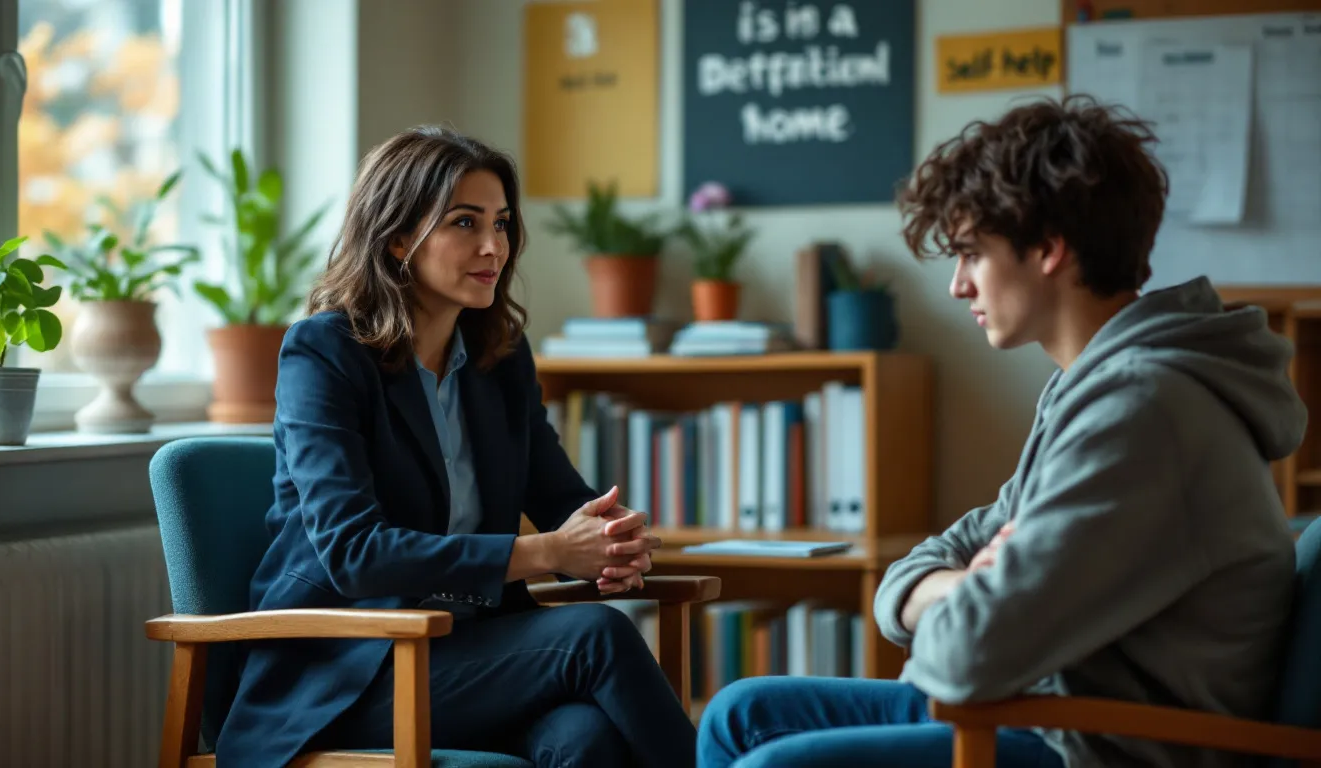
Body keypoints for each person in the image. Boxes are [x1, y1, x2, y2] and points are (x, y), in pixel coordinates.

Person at [698, 95, 1306, 767]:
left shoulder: (1143, 410)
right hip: (1046, 710)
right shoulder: (1091, 389)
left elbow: (964, 658)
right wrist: (960, 587)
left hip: (1100, 745)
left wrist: (969, 596)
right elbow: (924, 568)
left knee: (769, 764)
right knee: (739, 715)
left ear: (1049, 249)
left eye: (971, 255)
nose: (958, 286)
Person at [217, 125, 698, 768]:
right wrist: (550, 551)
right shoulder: (326, 353)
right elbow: (353, 554)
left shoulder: (499, 358)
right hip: (350, 672)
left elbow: (559, 496)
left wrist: (609, 541)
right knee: (596, 637)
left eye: (501, 224)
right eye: (464, 223)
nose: (491, 246)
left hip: (476, 654)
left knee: (588, 741)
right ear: (395, 237)